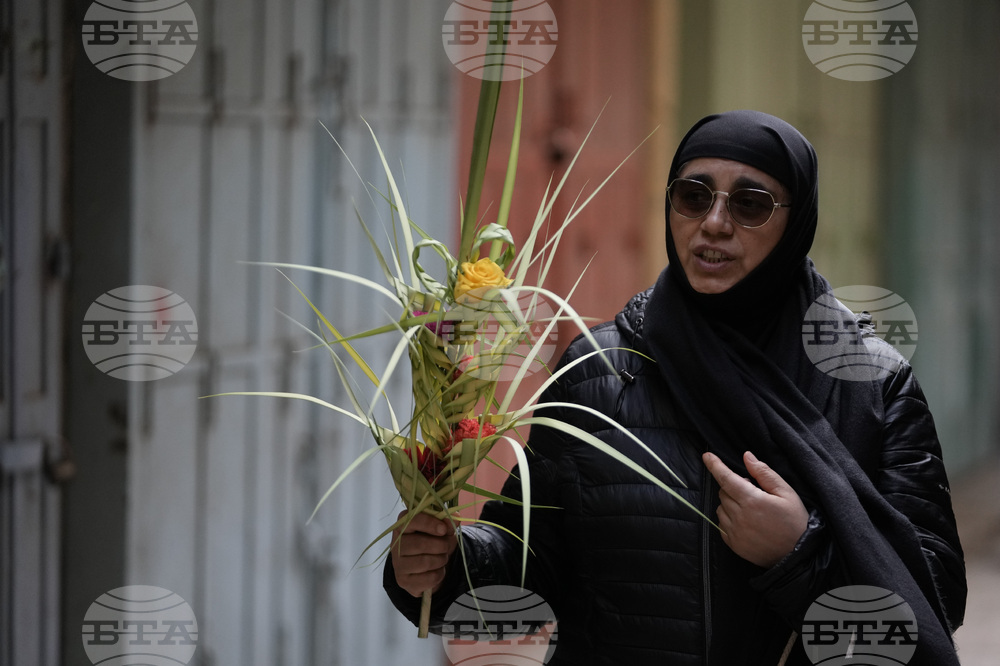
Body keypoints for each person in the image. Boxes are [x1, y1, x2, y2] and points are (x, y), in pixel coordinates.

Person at [383, 110, 966, 665]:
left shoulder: (869, 383)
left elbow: (933, 597)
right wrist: (447, 564)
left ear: (798, 221)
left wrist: (797, 554)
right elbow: (528, 560)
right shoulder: (599, 373)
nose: (714, 222)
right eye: (693, 196)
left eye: (750, 203)